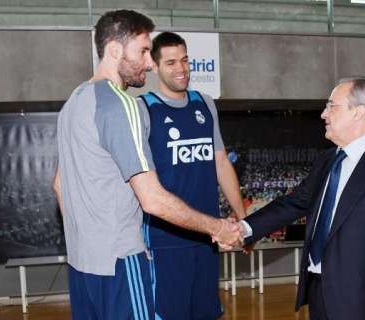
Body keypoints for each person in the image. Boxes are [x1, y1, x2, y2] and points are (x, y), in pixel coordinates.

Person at [54, 11, 241, 320]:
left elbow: (59, 185)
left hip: (82, 265)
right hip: (121, 261)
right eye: (142, 51)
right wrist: (218, 227)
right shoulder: (123, 105)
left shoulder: (73, 102)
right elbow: (152, 199)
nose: (149, 62)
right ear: (114, 49)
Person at [237, 77, 365, 320]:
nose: (324, 114)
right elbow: (295, 202)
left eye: (331, 106)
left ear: (358, 113)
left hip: (362, 303)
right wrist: (244, 228)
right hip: (319, 293)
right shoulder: (327, 160)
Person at [138, 32, 246, 320]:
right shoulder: (143, 108)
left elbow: (220, 163)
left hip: (208, 234)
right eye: (171, 62)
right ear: (155, 66)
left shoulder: (205, 103)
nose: (181, 69)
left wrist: (243, 218)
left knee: (207, 313)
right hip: (165, 238)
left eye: (185, 60)